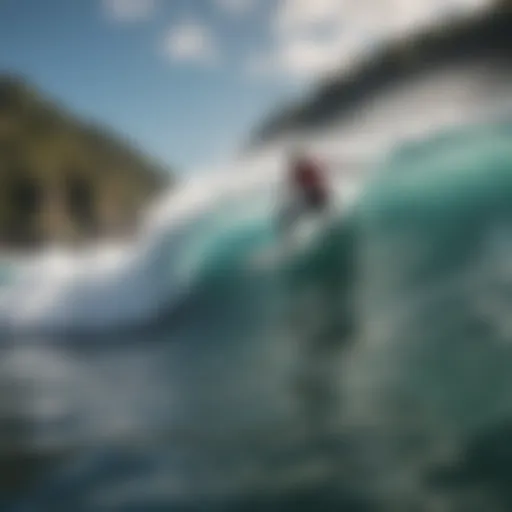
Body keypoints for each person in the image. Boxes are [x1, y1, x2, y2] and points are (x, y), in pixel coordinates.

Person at [277, 149, 330, 233]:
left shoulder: (307, 169)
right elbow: (294, 187)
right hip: (307, 197)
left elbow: (320, 182)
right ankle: (289, 231)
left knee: (315, 209)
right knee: (288, 213)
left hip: (316, 195)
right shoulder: (298, 172)